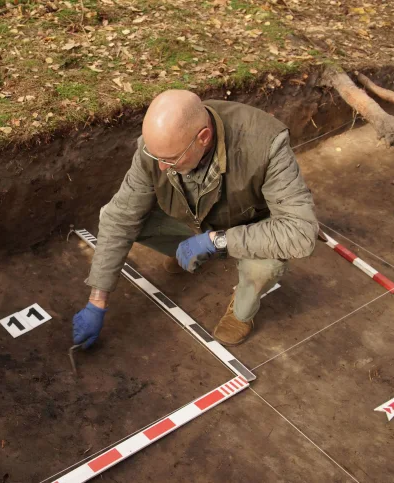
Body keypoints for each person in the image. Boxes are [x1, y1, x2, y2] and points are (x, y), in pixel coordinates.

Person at [72, 90, 318, 348]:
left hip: (249, 223)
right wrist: (96, 300)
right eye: (158, 159)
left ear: (203, 137)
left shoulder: (265, 145)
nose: (163, 168)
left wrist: (217, 241)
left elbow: (301, 232)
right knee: (130, 218)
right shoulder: (157, 148)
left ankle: (242, 312)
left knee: (264, 267)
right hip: (198, 216)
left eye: (170, 159)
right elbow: (119, 218)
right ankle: (186, 248)